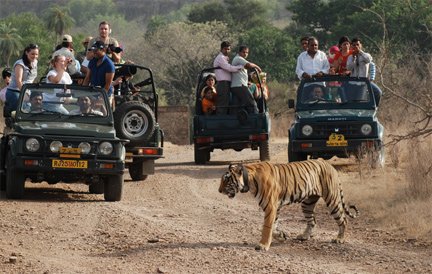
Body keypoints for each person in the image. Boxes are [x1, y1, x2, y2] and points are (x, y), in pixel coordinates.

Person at [4, 44, 39, 116]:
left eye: (36, 54)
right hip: (15, 92)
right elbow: (19, 81)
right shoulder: (20, 64)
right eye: (32, 54)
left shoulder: (35, 62)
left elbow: (30, 79)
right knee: (20, 114)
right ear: (26, 53)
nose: (34, 56)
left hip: (27, 91)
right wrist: (24, 94)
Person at [347, 37, 382, 105]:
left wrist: (359, 52)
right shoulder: (350, 57)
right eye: (354, 45)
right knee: (354, 102)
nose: (356, 46)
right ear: (351, 46)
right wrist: (353, 58)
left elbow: (368, 60)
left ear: (361, 45)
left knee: (378, 92)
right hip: (352, 83)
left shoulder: (365, 55)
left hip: (362, 83)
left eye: (357, 44)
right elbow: (349, 68)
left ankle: (373, 107)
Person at [213, 41, 243, 115]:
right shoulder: (220, 58)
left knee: (227, 102)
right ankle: (220, 122)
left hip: (227, 83)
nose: (227, 51)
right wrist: (239, 67)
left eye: (228, 49)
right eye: (225, 49)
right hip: (223, 83)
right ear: (221, 49)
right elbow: (228, 68)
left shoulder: (225, 58)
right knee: (222, 104)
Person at [83, 41, 116, 106]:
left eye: (96, 50)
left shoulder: (109, 64)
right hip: (93, 93)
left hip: (105, 95)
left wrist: (101, 98)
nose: (94, 52)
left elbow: (107, 84)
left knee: (102, 114)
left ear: (103, 50)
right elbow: (87, 78)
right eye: (93, 50)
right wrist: (83, 93)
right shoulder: (92, 61)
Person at [231, 45, 262, 114]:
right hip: (239, 86)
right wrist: (258, 67)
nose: (245, 54)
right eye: (243, 52)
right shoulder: (238, 58)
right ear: (239, 52)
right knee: (252, 103)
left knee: (237, 105)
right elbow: (249, 65)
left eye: (247, 52)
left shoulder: (240, 60)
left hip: (237, 85)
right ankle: (255, 118)